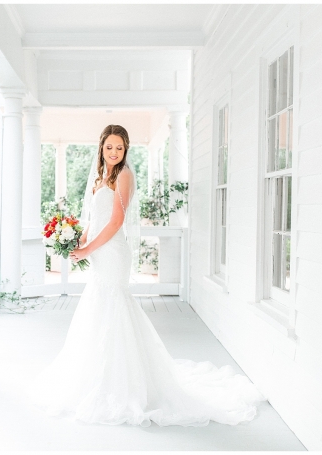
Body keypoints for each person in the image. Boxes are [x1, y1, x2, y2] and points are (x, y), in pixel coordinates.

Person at [28, 124, 266, 427]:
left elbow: (115, 222)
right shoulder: (100, 177)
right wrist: (80, 241)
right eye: (109, 147)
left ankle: (124, 381)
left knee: (114, 305)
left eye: (120, 148)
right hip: (98, 252)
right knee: (98, 307)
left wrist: (89, 250)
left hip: (113, 252)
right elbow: (93, 217)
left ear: (126, 149)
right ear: (101, 147)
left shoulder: (124, 175)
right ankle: (96, 373)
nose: (114, 152)